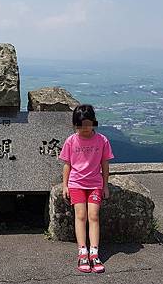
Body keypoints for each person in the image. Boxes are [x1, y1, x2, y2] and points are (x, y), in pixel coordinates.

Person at [59, 104, 114, 273]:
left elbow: (105, 164)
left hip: (95, 184)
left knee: (94, 216)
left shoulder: (102, 140)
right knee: (81, 215)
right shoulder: (71, 140)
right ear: (75, 124)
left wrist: (105, 185)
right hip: (76, 183)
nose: (85, 128)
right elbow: (67, 165)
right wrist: (65, 185)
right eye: (80, 125)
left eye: (88, 124)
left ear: (94, 122)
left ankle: (94, 253)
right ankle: (82, 251)